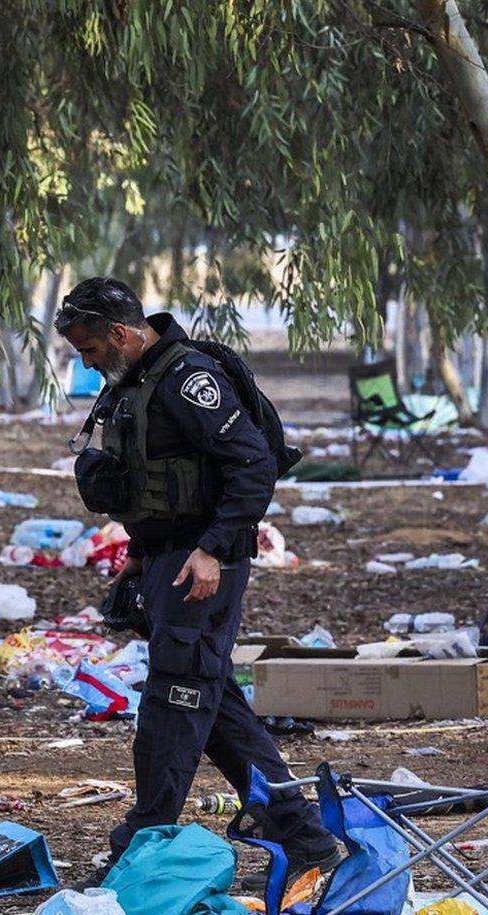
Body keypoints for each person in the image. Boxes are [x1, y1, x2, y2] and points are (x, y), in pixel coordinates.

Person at [54, 276, 340, 877]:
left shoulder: (189, 380)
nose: (88, 362)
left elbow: (253, 466)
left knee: (173, 703)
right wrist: (138, 553)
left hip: (205, 567)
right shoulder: (135, 381)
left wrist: (211, 550)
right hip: (167, 560)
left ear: (121, 333)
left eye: (91, 349)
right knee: (213, 703)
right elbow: (157, 483)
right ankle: (304, 836)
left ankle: (144, 839)